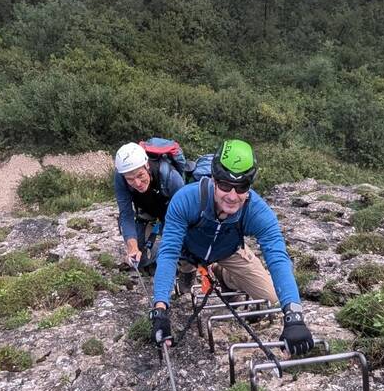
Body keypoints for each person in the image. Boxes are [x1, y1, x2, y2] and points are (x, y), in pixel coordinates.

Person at [148, 139, 314, 355]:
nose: (232, 196)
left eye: (242, 187)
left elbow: (277, 257)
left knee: (273, 297)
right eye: (225, 185)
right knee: (182, 264)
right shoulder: (187, 199)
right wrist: (160, 309)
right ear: (214, 179)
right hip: (187, 251)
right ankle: (188, 273)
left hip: (228, 251)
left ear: (250, 186)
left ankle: (222, 274)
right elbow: (169, 252)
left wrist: (294, 315)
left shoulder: (257, 211)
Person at [114, 141, 186, 271]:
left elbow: (183, 216)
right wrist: (132, 247)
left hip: (171, 212)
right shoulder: (120, 178)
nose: (137, 183)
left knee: (177, 251)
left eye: (140, 175)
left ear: (147, 165)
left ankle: (182, 268)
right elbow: (126, 214)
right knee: (140, 261)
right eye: (130, 179)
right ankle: (155, 256)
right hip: (146, 210)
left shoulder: (171, 177)